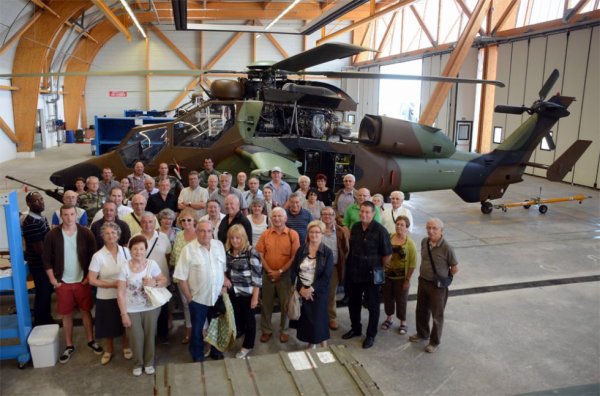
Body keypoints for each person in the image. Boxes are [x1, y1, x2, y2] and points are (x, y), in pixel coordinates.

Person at [43, 205, 103, 363]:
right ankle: (69, 345)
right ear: (61, 216)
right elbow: (47, 259)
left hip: (82, 281)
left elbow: (94, 257)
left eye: (71, 214)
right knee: (66, 315)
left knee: (86, 312)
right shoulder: (52, 235)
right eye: (65, 215)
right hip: (62, 283)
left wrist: (88, 278)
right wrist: (53, 280)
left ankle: (91, 340)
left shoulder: (86, 233)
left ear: (76, 215)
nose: (69, 218)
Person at [173, 220, 227, 362]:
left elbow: (223, 269)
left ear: (212, 232)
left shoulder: (219, 246)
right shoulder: (188, 250)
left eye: (209, 231)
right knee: (197, 330)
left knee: (216, 326)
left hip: (216, 296)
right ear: (196, 232)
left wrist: (224, 287)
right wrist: (189, 298)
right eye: (202, 231)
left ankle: (216, 351)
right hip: (198, 299)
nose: (206, 234)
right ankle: (197, 355)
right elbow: (181, 277)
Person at [342, 201, 392, 349]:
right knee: (353, 303)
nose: (363, 214)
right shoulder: (356, 227)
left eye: (367, 212)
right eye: (362, 211)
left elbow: (387, 255)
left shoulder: (381, 231)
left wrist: (378, 267)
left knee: (373, 306)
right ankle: (356, 328)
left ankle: (371, 335)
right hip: (355, 273)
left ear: (373, 213)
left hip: (371, 276)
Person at [117, 235, 166, 376]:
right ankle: (138, 363)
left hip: (151, 307)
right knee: (135, 337)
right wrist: (124, 314)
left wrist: (154, 283)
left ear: (146, 250)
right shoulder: (124, 267)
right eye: (135, 249)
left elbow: (163, 280)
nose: (138, 252)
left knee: (150, 336)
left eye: (141, 249)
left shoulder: (152, 264)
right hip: (131, 309)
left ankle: (149, 362)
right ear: (130, 249)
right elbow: (120, 293)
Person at [409, 218, 458, 353]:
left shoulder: (447, 247)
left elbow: (454, 268)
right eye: (428, 228)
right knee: (421, 310)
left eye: (434, 228)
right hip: (423, 281)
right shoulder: (424, 241)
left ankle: (434, 342)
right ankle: (422, 333)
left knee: (437, 315)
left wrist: (444, 278)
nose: (430, 231)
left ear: (441, 231)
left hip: (438, 287)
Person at [88, 222, 132, 365]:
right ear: (102, 236)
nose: (111, 236)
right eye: (107, 233)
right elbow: (92, 280)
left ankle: (126, 346)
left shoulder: (126, 252)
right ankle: (109, 350)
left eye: (113, 233)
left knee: (125, 324)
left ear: (118, 235)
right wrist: (113, 284)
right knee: (108, 326)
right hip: (105, 296)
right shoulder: (98, 256)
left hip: (124, 295)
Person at [256, 207, 300, 344]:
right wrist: (269, 270)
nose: (277, 219)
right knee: (266, 305)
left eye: (280, 216)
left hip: (285, 276)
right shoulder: (265, 234)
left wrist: (280, 272)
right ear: (270, 218)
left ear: (285, 218)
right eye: (274, 216)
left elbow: (294, 257)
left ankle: (284, 330)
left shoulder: (292, 235)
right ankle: (266, 330)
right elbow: (260, 254)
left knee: (285, 305)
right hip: (267, 275)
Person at [290, 220, 333, 349]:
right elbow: (293, 271)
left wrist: (311, 290)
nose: (314, 235)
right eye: (311, 232)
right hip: (302, 290)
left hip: (318, 291)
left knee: (319, 319)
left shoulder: (327, 252)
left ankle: (323, 344)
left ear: (322, 234)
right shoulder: (301, 250)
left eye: (317, 232)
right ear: (308, 234)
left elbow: (326, 276)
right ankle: (311, 342)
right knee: (307, 319)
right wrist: (301, 289)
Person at [224, 225, 262, 358]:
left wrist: (255, 297)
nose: (235, 241)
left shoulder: (251, 251)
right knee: (238, 315)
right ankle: (240, 331)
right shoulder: (228, 252)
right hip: (233, 291)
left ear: (243, 238)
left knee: (249, 319)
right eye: (232, 238)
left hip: (248, 292)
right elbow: (225, 269)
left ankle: (248, 345)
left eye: (238, 238)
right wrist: (225, 279)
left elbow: (257, 276)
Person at [135, 212, 172, 344]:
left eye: (150, 221)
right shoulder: (135, 238)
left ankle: (163, 336)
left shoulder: (162, 237)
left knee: (162, 309)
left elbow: (168, 256)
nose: (147, 224)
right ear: (140, 223)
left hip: (160, 280)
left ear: (155, 223)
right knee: (146, 309)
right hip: (142, 281)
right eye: (144, 221)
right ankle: (147, 336)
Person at [380, 215, 417, 335]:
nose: (399, 227)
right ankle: (389, 318)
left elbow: (412, 264)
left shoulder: (410, 244)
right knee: (387, 298)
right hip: (387, 276)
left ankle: (403, 322)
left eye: (402, 225)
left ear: (407, 228)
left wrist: (407, 280)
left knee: (401, 300)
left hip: (401, 278)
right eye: (397, 224)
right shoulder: (389, 237)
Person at [22, 191, 53, 326]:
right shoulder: (31, 222)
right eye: (36, 201)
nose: (40, 202)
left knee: (47, 291)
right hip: (39, 264)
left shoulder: (41, 218)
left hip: (45, 262)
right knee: (43, 292)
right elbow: (40, 249)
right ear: (29, 204)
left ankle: (46, 317)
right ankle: (41, 321)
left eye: (41, 199)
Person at [170, 208, 198, 344]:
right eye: (183, 220)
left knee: (198, 304)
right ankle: (189, 329)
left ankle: (200, 330)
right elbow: (175, 256)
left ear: (194, 221)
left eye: (189, 220)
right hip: (182, 278)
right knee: (186, 305)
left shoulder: (199, 235)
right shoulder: (179, 235)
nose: (186, 222)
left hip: (197, 277)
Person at [320, 206, 349, 331]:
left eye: (330, 214)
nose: (327, 216)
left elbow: (346, 250)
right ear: (321, 216)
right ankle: (319, 316)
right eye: (325, 214)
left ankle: (332, 317)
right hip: (318, 268)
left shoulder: (340, 231)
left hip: (334, 268)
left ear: (334, 216)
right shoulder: (315, 229)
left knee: (331, 293)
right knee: (318, 293)